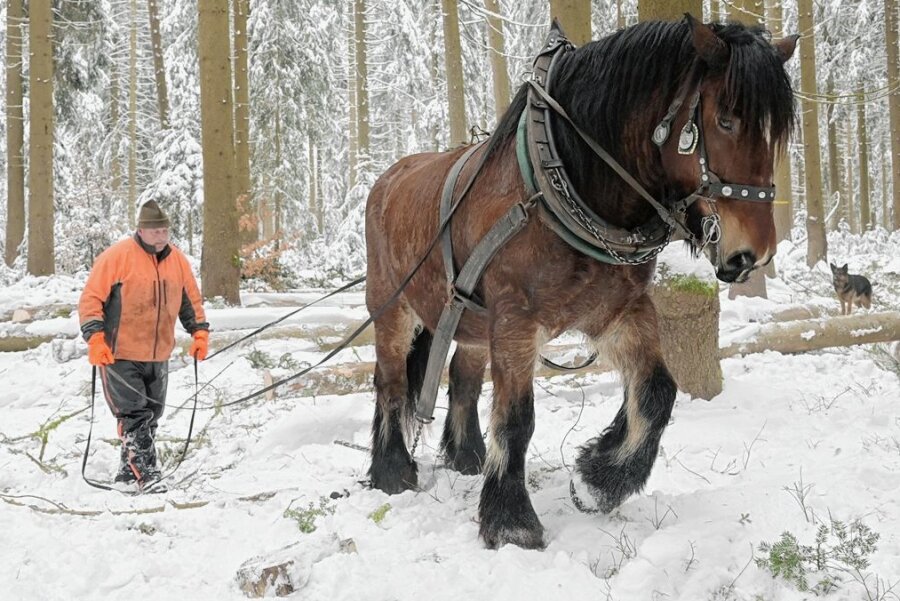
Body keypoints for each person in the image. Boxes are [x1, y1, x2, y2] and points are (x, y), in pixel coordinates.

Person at [78, 200, 209, 489]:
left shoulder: (178, 260)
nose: (161, 236)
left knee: (152, 415)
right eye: (155, 231)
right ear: (141, 230)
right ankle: (148, 476)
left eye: (165, 231)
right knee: (134, 414)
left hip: (158, 353)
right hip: (118, 353)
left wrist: (199, 332)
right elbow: (91, 299)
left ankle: (128, 473)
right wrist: (95, 338)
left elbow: (190, 300)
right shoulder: (117, 257)